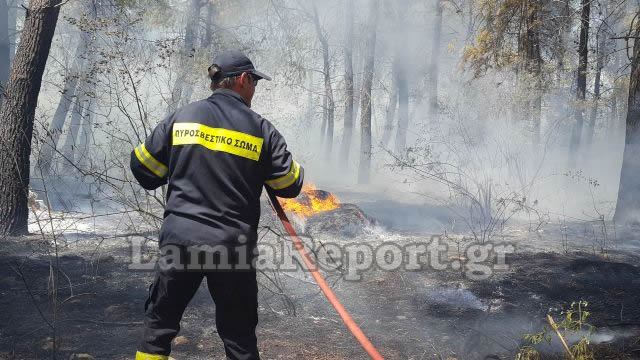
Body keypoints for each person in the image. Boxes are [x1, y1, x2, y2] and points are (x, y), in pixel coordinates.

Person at [130, 50, 304, 360]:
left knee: (158, 328)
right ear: (241, 80)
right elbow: (289, 184)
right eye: (254, 82)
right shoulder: (261, 129)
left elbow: (144, 170)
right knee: (238, 337)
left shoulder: (181, 117)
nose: (255, 90)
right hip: (230, 248)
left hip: (180, 242)